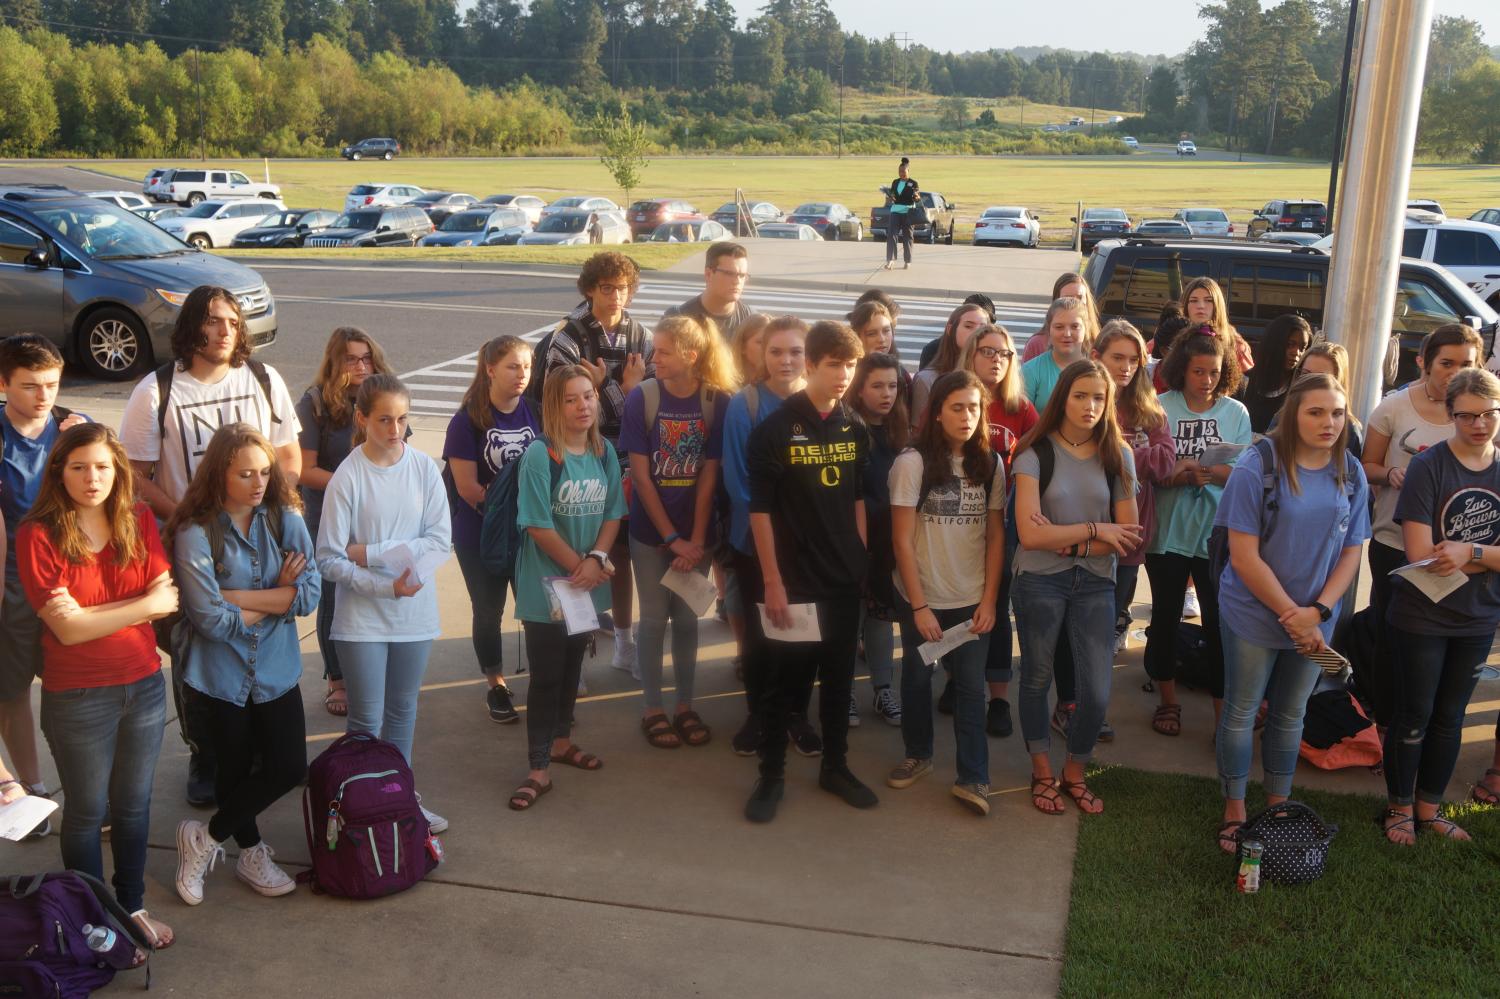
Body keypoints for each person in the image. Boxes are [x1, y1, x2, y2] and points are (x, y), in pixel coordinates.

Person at [119, 284, 301, 808]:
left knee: (264, 635)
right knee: (196, 650)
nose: (226, 332)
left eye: (233, 322)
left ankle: (265, 746)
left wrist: (279, 511)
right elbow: (134, 475)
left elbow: (288, 454)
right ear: (191, 327)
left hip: (260, 539)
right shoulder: (157, 391)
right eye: (214, 322)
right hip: (195, 545)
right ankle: (206, 753)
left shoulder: (264, 380)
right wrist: (185, 516)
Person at [16, 423, 179, 952]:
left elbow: (167, 597)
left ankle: (130, 905)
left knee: (133, 807)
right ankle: (92, 917)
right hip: (79, 697)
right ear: (60, 471)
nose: (93, 478)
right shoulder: (37, 532)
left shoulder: (138, 518)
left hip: (144, 687)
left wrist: (94, 615)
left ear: (118, 471)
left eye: (104, 466)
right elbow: (66, 629)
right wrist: (138, 610)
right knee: (86, 812)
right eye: (80, 466)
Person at [1214, 373, 1368, 853]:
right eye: (1316, 412)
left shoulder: (1351, 470)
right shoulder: (1256, 466)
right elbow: (1244, 556)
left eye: (1337, 413)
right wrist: (1293, 614)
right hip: (1254, 614)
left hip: (1314, 622)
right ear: (1293, 415)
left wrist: (1318, 612)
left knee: (1291, 714)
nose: (1328, 422)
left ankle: (1278, 805)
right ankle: (1235, 807)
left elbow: (1351, 550)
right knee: (1241, 710)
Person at [168, 425, 319, 903]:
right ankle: (250, 852)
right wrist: (277, 593)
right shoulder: (196, 532)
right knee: (231, 770)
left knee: (288, 764)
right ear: (219, 474)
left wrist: (233, 595)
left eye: (264, 472)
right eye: (245, 474)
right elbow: (209, 622)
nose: (258, 483)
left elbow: (310, 594)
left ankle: (205, 838)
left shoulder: (284, 518)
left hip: (275, 668)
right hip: (218, 674)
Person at [744, 321, 876, 822]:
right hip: (793, 581)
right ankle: (771, 774)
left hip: (843, 578)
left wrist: (861, 556)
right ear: (811, 365)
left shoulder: (854, 426)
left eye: (852, 365)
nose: (845, 375)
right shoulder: (773, 430)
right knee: (785, 684)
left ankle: (835, 767)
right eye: (835, 365)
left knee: (840, 681)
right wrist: (773, 583)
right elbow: (758, 511)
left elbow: (859, 496)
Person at [315, 375, 451, 834]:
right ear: (362, 419)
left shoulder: (424, 469)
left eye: (403, 419)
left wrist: (369, 552)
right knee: (366, 718)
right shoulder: (348, 477)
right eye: (385, 420)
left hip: (414, 613)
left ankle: (401, 800)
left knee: (403, 711)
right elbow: (329, 558)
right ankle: (362, 804)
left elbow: (439, 542)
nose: (396, 429)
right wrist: (383, 584)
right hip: (363, 619)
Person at [1012, 361, 1140, 816]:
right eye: (1081, 396)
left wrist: (1068, 540)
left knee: (1096, 692)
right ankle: (1043, 770)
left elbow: (1127, 533)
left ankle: (1075, 771)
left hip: (1095, 584)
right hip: (1039, 581)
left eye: (1099, 398)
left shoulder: (1117, 455)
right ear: (1062, 397)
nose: (1090, 407)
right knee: (1037, 678)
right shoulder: (1033, 453)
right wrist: (1093, 531)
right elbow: (1030, 536)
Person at [1379, 368, 1500, 845]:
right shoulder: (1430, 467)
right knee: (1415, 713)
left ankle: (1430, 809)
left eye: (1489, 413)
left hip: (1478, 617)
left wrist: (1468, 553)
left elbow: (1447, 554)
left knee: (1451, 717)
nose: (1479, 424)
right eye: (1467, 415)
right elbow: (1420, 555)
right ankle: (1399, 809)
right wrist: (1490, 560)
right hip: (1422, 616)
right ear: (1450, 415)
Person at [507, 365, 626, 810]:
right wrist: (583, 568)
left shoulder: (604, 451)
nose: (583, 406)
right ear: (555, 406)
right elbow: (536, 525)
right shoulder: (542, 455)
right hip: (547, 588)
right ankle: (538, 768)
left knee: (574, 670)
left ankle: (561, 741)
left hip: (586, 583)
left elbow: (614, 513)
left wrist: (596, 561)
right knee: (547, 676)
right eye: (571, 399)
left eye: (589, 396)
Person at [529, 252, 652, 679]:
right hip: (572, 453)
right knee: (570, 551)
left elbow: (645, 408)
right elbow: (569, 411)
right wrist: (624, 391)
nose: (616, 296)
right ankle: (574, 657)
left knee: (616, 554)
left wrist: (615, 391)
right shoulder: (567, 338)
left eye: (623, 288)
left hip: (622, 458)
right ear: (589, 289)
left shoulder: (641, 336)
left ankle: (623, 643)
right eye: (606, 288)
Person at [887, 370, 1005, 813]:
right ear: (936, 413)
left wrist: (990, 601)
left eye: (975, 407)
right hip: (923, 599)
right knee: (918, 679)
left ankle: (974, 778)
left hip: (972, 600)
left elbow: (995, 536)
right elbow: (901, 541)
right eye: (957, 407)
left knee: (972, 689)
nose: (967, 416)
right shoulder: (911, 464)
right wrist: (919, 607)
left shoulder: (991, 464)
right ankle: (918, 754)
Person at [620, 316, 735, 748]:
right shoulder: (643, 398)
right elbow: (642, 477)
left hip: (696, 535)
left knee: (687, 619)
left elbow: (709, 476)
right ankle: (653, 707)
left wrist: (697, 539)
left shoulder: (715, 400)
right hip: (652, 534)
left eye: (664, 351)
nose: (654, 358)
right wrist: (672, 539)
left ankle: (685, 704)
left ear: (691, 354)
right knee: (651, 620)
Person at [1360, 323, 1481, 732]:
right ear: (1423, 363)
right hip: (1396, 545)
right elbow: (1365, 467)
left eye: (1466, 363)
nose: (1455, 371)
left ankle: (1427, 729)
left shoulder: (1482, 413)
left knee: (1448, 648)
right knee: (1388, 636)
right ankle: (1382, 723)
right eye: (1446, 363)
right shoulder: (1393, 408)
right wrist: (1390, 472)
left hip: (1462, 555)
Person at [0, 334, 86, 838]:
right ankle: (31, 791)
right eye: (31, 386)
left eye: (51, 384)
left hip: (69, 582)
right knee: (12, 693)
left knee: (71, 692)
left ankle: (83, 792)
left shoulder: (73, 430)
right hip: (13, 585)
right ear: (4, 383)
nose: (44, 397)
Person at [721, 317, 820, 757]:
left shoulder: (818, 402)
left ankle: (797, 713)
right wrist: (774, 530)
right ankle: (759, 713)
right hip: (754, 542)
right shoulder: (746, 404)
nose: (785, 360)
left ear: (808, 356)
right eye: (776, 351)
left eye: (795, 351)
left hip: (806, 546)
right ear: (762, 355)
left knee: (802, 634)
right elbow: (739, 480)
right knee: (761, 635)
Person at [1143, 330, 1249, 738]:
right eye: (1198, 371)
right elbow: (1152, 470)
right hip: (1166, 535)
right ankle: (1168, 702)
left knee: (1220, 624)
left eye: (1214, 372)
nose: (1206, 380)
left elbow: (1243, 472)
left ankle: (1224, 717)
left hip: (1216, 536)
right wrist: (1181, 472)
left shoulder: (1236, 413)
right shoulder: (1160, 407)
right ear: (1180, 371)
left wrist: (1207, 471)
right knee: (1166, 618)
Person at [295, 327, 398, 719]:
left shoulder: (382, 397)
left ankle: (375, 669)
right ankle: (337, 679)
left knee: (376, 591)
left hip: (379, 516)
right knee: (334, 597)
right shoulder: (316, 402)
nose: (361, 365)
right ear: (335, 362)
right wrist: (353, 487)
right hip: (329, 517)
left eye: (367, 357)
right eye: (352, 358)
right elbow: (304, 470)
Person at [443, 335, 540, 724]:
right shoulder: (466, 420)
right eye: (513, 367)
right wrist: (512, 514)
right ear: (490, 370)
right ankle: (496, 685)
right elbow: (467, 488)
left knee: (535, 609)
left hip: (530, 532)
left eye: (527, 367)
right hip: (479, 534)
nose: (522, 375)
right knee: (488, 611)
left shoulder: (535, 411)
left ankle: (545, 681)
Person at [956, 324, 1037, 735]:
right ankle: (958, 681)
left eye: (1004, 354)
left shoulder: (1019, 408)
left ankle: (999, 698)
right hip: (955, 525)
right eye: (987, 351)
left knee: (996, 606)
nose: (996, 360)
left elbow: (1041, 453)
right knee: (957, 603)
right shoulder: (956, 400)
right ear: (970, 354)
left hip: (1002, 525)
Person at [1092, 321, 1173, 656]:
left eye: (1134, 360)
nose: (1125, 367)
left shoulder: (1148, 405)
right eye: (1117, 358)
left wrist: (1120, 453)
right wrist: (1139, 454)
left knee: (1116, 599)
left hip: (1132, 526)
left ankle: (1118, 626)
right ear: (1097, 357)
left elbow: (1166, 461)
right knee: (1088, 607)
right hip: (1088, 523)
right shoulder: (1085, 398)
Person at [844, 352, 910, 728]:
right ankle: (846, 692)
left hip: (889, 543)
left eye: (892, 386)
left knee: (881, 619)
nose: (887, 394)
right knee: (851, 619)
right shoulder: (846, 426)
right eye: (877, 386)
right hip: (855, 540)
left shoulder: (901, 431)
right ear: (859, 387)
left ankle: (884, 690)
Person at [912, 303, 989, 425]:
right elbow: (919, 431)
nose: (976, 333)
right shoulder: (927, 379)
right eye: (969, 326)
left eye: (983, 328)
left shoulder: (990, 376)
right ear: (950, 329)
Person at [663, 242, 753, 340]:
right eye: (729, 273)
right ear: (708, 274)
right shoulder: (678, 318)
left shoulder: (751, 321)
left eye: (742, 275)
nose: (737, 281)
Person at [1288, 341, 1364, 456]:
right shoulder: (1283, 414)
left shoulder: (1349, 431)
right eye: (1305, 374)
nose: (1310, 382)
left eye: (1321, 378)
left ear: (1338, 382)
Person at [1241, 315, 1312, 433]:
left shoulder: (1300, 391)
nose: (1296, 352)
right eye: (1290, 344)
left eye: (1302, 347)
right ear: (1273, 343)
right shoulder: (1243, 384)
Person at [1022, 297, 1092, 411]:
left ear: (1086, 328)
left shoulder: (1097, 370)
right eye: (1059, 327)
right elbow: (1021, 420)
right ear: (1049, 329)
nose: (1067, 334)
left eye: (1075, 326)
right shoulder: (1030, 371)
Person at [1180, 276, 1253, 375]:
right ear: (1185, 305)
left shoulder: (1235, 344)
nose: (1201, 306)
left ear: (1217, 305)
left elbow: (1250, 383)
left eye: (1208, 300)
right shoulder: (1170, 337)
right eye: (1193, 300)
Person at [1022, 273, 1102, 362]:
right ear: (1056, 302)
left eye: (1079, 298)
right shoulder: (1037, 344)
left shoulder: (1099, 342)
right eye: (1067, 298)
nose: (1075, 303)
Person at [849, 298, 913, 404]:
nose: (881, 339)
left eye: (886, 331)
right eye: (871, 333)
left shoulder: (902, 375)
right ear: (857, 336)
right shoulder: (848, 373)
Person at [884, 156, 919, 270]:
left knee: (907, 237)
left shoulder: (913, 183)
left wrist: (917, 197)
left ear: (908, 171)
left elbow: (917, 198)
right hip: (895, 211)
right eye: (900, 172)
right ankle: (891, 260)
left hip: (908, 212)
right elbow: (893, 197)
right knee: (891, 235)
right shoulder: (895, 182)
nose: (901, 174)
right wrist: (889, 197)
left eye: (904, 172)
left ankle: (907, 261)